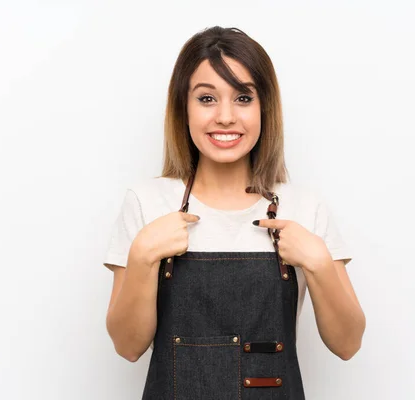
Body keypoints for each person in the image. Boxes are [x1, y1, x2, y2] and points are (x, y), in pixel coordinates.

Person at [102, 26, 366, 399]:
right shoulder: (146, 202)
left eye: (243, 98)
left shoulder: (305, 208)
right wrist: (143, 253)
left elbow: (348, 344)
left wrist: (320, 263)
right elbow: (127, 347)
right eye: (207, 98)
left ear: (264, 108)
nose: (225, 117)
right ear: (184, 108)